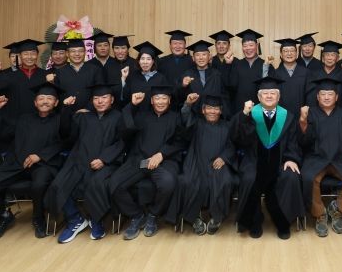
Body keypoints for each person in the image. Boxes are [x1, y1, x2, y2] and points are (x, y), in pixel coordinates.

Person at [0, 82, 68, 241]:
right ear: (35, 102)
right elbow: (0, 133)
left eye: (49, 98)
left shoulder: (60, 120)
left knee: (39, 184)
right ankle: (2, 217)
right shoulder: (23, 119)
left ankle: (38, 218)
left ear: (56, 102)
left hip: (44, 164)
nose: (45, 101)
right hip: (17, 163)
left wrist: (40, 156)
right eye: (41, 98)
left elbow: (66, 142)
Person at [46, 83, 125, 243]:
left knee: (95, 184)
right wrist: (66, 110)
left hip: (106, 163)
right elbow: (66, 135)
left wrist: (104, 159)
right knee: (57, 185)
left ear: (112, 99)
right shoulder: (83, 117)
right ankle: (75, 219)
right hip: (79, 160)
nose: (100, 101)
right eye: (96, 98)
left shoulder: (119, 117)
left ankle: (97, 220)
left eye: (104, 97)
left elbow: (122, 143)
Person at [232, 76, 304, 240]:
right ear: (259, 97)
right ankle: (254, 222)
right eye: (265, 93)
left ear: (279, 97)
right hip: (254, 160)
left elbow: (293, 142)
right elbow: (240, 139)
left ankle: (283, 223)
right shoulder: (250, 113)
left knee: (290, 177)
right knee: (250, 178)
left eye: (273, 93)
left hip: (280, 162)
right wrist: (245, 116)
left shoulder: (288, 116)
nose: (269, 96)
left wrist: (291, 158)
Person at [110, 84, 185, 240]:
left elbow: (180, 141)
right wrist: (132, 105)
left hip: (164, 161)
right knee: (115, 184)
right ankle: (136, 216)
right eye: (157, 98)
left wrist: (162, 154)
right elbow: (125, 132)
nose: (160, 102)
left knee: (168, 183)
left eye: (164, 98)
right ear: (151, 101)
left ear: (169, 100)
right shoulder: (141, 116)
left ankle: (153, 215)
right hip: (140, 160)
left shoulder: (176, 117)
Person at [298, 76, 342, 237]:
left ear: (337, 97)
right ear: (317, 96)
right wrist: (303, 122)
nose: (326, 97)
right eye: (323, 94)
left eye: (330, 94)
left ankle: (337, 209)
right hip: (316, 158)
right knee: (309, 178)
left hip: (339, 159)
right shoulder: (310, 114)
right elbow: (304, 141)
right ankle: (320, 214)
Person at [167, 90, 237, 235]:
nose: (212, 111)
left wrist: (224, 157)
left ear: (220, 111)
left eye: (216, 108)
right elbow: (185, 118)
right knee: (186, 181)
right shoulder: (196, 123)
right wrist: (187, 104)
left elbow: (232, 146)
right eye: (209, 108)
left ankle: (216, 217)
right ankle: (194, 218)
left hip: (217, 164)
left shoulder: (227, 126)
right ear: (203, 110)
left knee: (226, 180)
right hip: (196, 161)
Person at [0, 39, 47, 117]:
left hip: (39, 120)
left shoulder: (46, 75)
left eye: (33, 53)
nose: (29, 57)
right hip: (15, 120)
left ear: (37, 55)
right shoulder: (8, 76)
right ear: (20, 56)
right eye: (25, 54)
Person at [223, 29, 273, 115]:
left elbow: (270, 89)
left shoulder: (266, 64)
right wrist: (227, 65)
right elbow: (229, 86)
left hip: (260, 110)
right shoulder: (237, 64)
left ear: (257, 45)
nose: (248, 48)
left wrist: (266, 67)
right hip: (239, 109)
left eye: (251, 45)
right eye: (245, 46)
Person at [49, 38, 104, 111]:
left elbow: (100, 92)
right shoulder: (59, 72)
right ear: (67, 54)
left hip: (90, 113)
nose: (77, 54)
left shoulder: (95, 70)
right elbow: (57, 96)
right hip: (67, 113)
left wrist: (88, 109)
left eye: (80, 51)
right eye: (73, 51)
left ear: (85, 52)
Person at [177, 39, 230, 114]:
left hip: (213, 115)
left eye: (204, 54)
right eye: (197, 55)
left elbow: (224, 97)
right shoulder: (187, 75)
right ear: (193, 58)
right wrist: (183, 85)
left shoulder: (217, 74)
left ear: (209, 57)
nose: (201, 58)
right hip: (194, 116)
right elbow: (179, 97)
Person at [305, 40, 342, 110]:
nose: (329, 58)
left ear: (337, 58)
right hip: (317, 112)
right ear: (323, 58)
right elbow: (310, 97)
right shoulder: (314, 74)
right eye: (327, 55)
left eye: (333, 55)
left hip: (338, 112)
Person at [271, 38, 309, 119]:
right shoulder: (275, 74)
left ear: (297, 53)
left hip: (301, 117)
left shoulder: (306, 73)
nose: (289, 53)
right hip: (281, 117)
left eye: (292, 50)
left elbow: (310, 96)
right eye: (285, 51)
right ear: (281, 54)